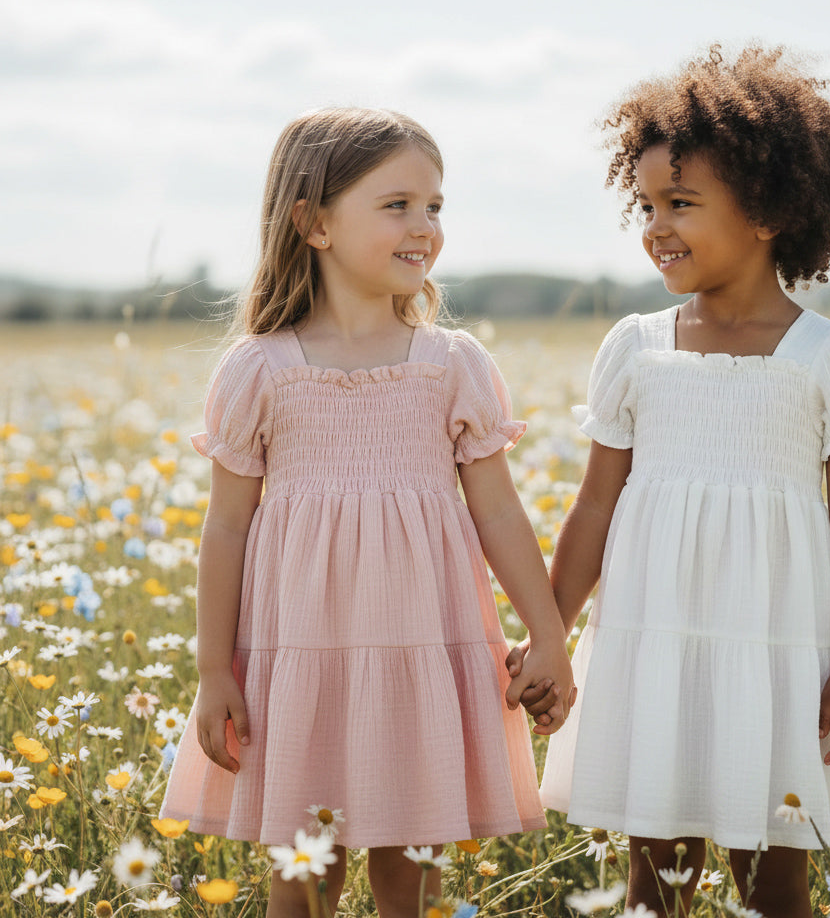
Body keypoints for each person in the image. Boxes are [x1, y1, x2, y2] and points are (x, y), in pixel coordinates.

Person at [509, 46, 830, 918]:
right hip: (652, 641)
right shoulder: (636, 348)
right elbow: (596, 503)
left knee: (773, 882)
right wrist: (550, 631)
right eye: (647, 204)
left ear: (768, 210)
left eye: (681, 203)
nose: (656, 225)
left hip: (776, 652)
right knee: (655, 877)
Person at [160, 107, 574, 918]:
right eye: (397, 205)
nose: (425, 226)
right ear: (314, 223)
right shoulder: (259, 370)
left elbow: (498, 511)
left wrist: (549, 632)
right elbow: (226, 528)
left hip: (423, 647)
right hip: (301, 656)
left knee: (412, 871)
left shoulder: (451, 364)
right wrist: (214, 671)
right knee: (304, 874)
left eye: (435, 206)